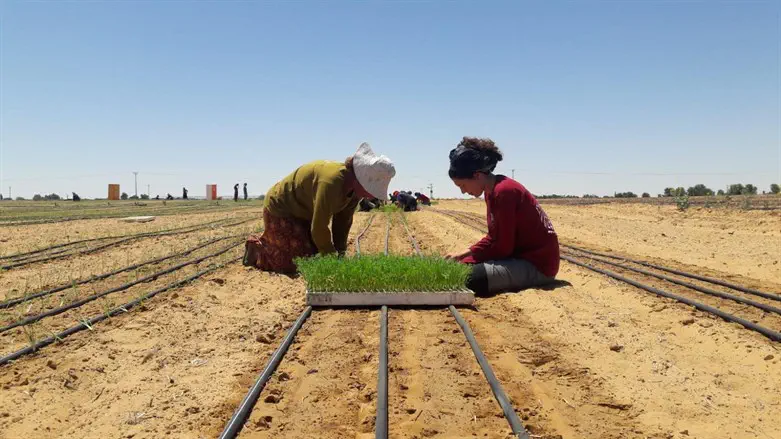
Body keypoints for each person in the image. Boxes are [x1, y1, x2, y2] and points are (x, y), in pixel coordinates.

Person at [243, 143, 395, 273]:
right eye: (370, 188)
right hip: (282, 208)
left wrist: (340, 254)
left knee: (314, 254)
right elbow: (319, 227)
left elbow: (343, 222)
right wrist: (330, 260)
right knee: (298, 261)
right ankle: (258, 250)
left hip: (303, 214)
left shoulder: (354, 192)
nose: (370, 195)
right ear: (361, 180)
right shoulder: (330, 182)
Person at [445, 136, 559, 296]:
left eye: (462, 185)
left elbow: (503, 247)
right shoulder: (491, 192)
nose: (463, 191)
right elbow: (495, 238)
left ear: (477, 175)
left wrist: (469, 257)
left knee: (466, 277)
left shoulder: (504, 191)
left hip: (537, 265)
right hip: (519, 257)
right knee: (459, 267)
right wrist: (465, 254)